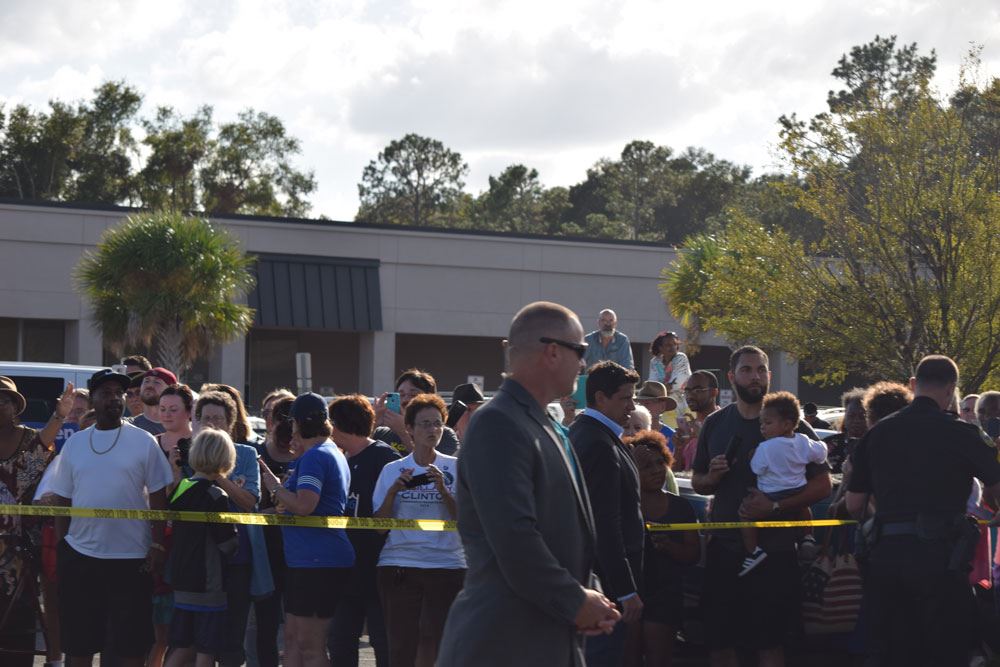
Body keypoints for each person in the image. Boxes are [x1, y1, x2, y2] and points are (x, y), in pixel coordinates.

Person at [438, 301, 620, 667]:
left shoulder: (547, 425)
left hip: (545, 639)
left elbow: (564, 535)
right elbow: (515, 539)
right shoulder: (498, 423)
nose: (583, 363)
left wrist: (589, 596)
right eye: (580, 351)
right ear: (552, 351)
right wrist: (575, 601)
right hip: (501, 644)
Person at [846, 355, 1000, 666]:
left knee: (892, 650)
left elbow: (854, 505)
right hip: (941, 561)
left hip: (886, 560)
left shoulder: (877, 433)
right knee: (944, 650)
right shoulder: (962, 432)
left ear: (913, 385)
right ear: (951, 389)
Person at [691, 346, 830, 667]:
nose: (755, 376)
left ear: (769, 375)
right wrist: (712, 475)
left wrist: (776, 505)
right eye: (747, 370)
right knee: (720, 644)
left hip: (776, 553)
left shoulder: (789, 422)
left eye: (761, 370)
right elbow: (698, 482)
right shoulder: (715, 424)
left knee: (771, 644)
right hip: (725, 551)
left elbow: (823, 486)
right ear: (731, 377)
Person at [47, 368, 174, 667]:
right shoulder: (76, 444)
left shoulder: (143, 441)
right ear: (93, 399)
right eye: (107, 393)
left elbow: (158, 497)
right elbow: (63, 499)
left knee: (130, 647)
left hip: (131, 559)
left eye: (119, 393)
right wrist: (64, 546)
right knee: (79, 645)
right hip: (81, 557)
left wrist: (157, 546)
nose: (115, 399)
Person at [259, 392, 354, 667]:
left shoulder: (316, 456)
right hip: (308, 560)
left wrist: (275, 487)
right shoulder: (328, 451)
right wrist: (282, 498)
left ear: (298, 423)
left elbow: (305, 505)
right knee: (293, 640)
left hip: (318, 560)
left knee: (310, 646)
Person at [373, 393, 464, 667]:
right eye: (424, 424)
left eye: (437, 423)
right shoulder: (393, 469)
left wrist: (443, 490)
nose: (432, 430)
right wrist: (393, 492)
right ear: (409, 429)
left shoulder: (455, 467)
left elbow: (466, 520)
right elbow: (378, 527)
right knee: (401, 645)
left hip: (447, 564)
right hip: (400, 563)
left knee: (440, 642)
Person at [570, 360, 643, 667]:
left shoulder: (592, 435)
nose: (632, 406)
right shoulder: (598, 443)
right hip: (604, 588)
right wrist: (625, 590)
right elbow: (604, 523)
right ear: (601, 398)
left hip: (597, 581)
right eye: (625, 398)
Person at [0, 376, 75, 667]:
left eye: (4, 400)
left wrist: (60, 415)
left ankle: (50, 659)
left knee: (24, 612)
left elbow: (44, 446)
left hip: (22, 544)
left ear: (15, 407)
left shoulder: (29, 438)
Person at [194, 391, 266, 667]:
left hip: (237, 556)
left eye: (219, 419)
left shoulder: (247, 454)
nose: (213, 424)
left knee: (232, 637)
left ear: (231, 422)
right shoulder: (191, 451)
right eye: (207, 418)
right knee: (198, 638)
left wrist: (220, 477)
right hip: (199, 557)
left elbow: (250, 503)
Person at [327, 394, 399, 667]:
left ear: (340, 424)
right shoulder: (338, 459)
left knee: (383, 643)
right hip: (345, 569)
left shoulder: (383, 457)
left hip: (379, 568)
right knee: (341, 642)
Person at [165, 428, 239, 667]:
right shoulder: (216, 495)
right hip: (209, 584)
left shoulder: (181, 489)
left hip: (181, 579)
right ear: (225, 459)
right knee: (207, 649)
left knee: (182, 645)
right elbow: (227, 543)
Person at [625, 430, 700, 667]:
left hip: (665, 594)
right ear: (630, 471)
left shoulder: (681, 507)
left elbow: (693, 555)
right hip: (629, 592)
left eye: (659, 463)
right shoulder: (621, 506)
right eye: (646, 466)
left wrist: (668, 546)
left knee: (660, 659)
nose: (656, 470)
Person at [739, 391, 828, 577]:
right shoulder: (803, 440)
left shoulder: (765, 448)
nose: (763, 427)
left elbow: (757, 469)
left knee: (745, 514)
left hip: (772, 493)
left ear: (787, 424)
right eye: (762, 423)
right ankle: (807, 537)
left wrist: (752, 456)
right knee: (803, 505)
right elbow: (821, 454)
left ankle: (753, 551)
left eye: (768, 423)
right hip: (798, 489)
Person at [150, 384, 196, 667]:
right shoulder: (150, 443)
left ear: (189, 412)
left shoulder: (203, 444)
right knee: (157, 626)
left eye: (173, 409)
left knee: (186, 624)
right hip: (157, 537)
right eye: (162, 409)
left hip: (190, 539)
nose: (166, 414)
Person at [251, 393, 295, 667]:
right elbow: (248, 508)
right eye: (282, 421)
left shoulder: (308, 457)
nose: (288, 429)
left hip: (297, 552)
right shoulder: (256, 454)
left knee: (296, 629)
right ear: (271, 421)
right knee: (264, 628)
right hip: (264, 551)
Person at [373, 369, 460, 455]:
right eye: (401, 395)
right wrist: (373, 423)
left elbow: (429, 465)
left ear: (430, 399)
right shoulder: (382, 433)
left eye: (413, 395)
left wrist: (403, 433)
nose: (406, 400)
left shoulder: (443, 434)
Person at [624, 406, 679, 496]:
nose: (631, 432)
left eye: (637, 427)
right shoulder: (615, 457)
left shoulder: (660, 461)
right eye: (626, 427)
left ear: (647, 429)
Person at [675, 370, 721, 471]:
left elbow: (724, 464)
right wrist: (678, 448)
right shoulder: (689, 428)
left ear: (714, 392)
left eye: (697, 391)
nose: (690, 396)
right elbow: (676, 472)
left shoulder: (725, 422)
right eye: (687, 391)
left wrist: (702, 438)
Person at [647, 331, 690, 417]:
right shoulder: (655, 362)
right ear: (660, 348)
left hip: (680, 405)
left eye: (674, 344)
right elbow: (652, 384)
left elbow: (677, 384)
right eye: (668, 345)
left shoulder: (681, 358)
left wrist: (659, 389)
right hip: (660, 406)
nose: (673, 347)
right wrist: (662, 388)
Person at [132, 367, 178, 436]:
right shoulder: (130, 425)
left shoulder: (178, 427)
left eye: (157, 382)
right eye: (146, 381)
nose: (150, 385)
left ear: (170, 390)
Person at [634, 381, 678, 451]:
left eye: (647, 403)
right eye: (639, 403)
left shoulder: (673, 437)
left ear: (662, 406)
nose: (642, 407)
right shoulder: (630, 432)